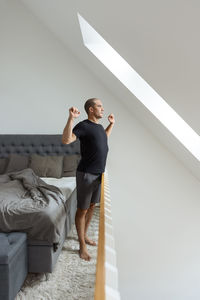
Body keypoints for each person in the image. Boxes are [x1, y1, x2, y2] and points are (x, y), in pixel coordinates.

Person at [62, 98, 115, 261]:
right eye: (99, 106)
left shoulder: (99, 127)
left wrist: (111, 125)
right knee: (82, 210)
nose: (102, 109)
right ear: (91, 109)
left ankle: (84, 236)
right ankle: (82, 246)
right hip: (86, 174)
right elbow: (67, 140)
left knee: (92, 206)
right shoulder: (83, 126)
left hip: (99, 174)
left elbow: (103, 138)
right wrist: (71, 118)